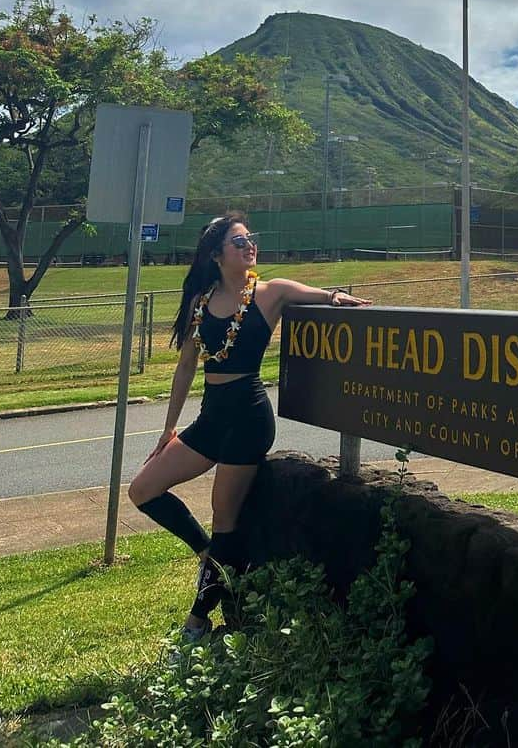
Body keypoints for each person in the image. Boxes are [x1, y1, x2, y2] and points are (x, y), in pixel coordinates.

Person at [127, 212, 371, 644]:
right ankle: (210, 556)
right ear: (217, 254)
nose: (249, 247)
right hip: (211, 418)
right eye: (239, 242)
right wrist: (168, 429)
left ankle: (197, 624)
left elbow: (318, 294)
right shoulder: (202, 302)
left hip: (248, 418)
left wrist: (335, 296)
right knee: (143, 489)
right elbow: (186, 367)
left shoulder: (268, 293)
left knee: (227, 520)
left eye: (250, 241)